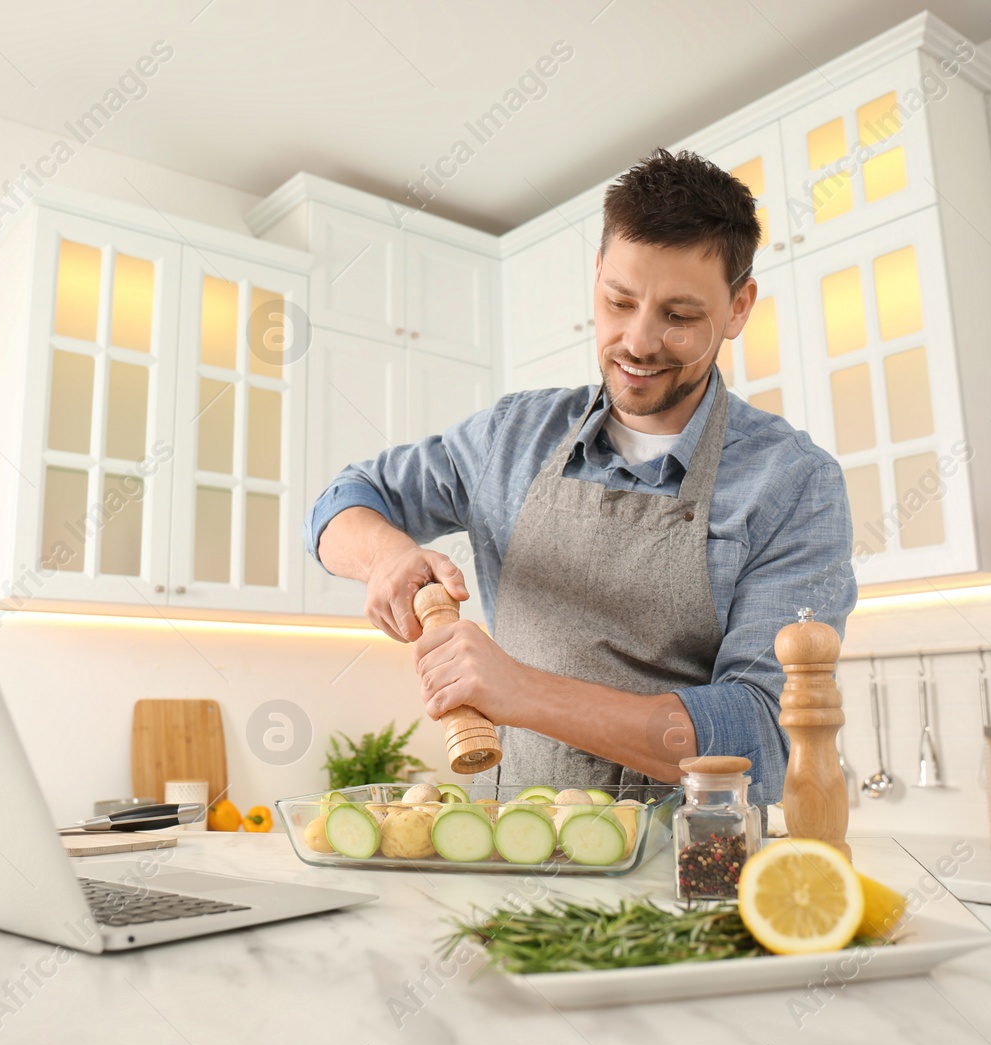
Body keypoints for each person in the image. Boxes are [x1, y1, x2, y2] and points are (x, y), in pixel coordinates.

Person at [304, 147, 856, 803]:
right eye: (619, 301)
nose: (639, 341)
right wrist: (387, 554)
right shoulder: (511, 438)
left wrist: (522, 692)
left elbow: (761, 734)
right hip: (518, 866)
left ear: (738, 307)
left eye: (679, 316)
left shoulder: (795, 484)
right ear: (596, 276)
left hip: (691, 877)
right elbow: (342, 502)